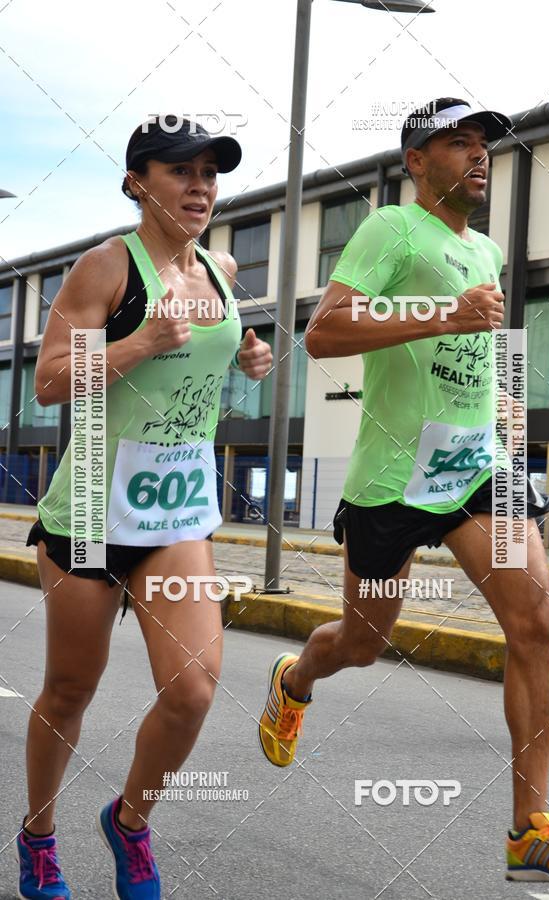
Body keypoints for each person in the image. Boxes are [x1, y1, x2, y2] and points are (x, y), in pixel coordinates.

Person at [258, 98, 549, 884]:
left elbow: (487, 342)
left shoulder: (485, 249)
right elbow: (324, 332)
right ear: (416, 161)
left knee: (537, 618)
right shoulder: (389, 230)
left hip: (477, 465)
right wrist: (442, 316)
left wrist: (504, 402)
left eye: (483, 144)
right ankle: (295, 679)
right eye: (458, 143)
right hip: (392, 483)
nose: (478, 156)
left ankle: (529, 827)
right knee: (362, 643)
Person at [17, 116, 273, 900]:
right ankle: (38, 837)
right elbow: (50, 381)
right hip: (93, 506)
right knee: (70, 688)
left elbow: (215, 345)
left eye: (209, 175)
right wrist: (137, 345)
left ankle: (130, 820)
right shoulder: (106, 267)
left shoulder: (222, 270)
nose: (200, 189)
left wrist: (250, 351)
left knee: (194, 689)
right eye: (180, 173)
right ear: (137, 182)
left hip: (176, 511)